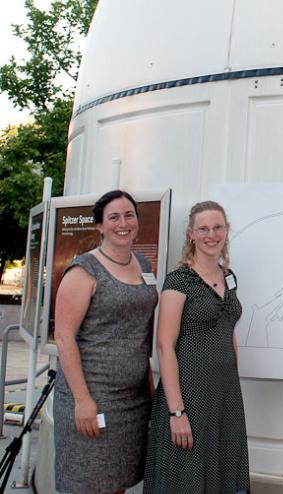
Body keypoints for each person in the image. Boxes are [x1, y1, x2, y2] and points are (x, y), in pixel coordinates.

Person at [53, 189, 159, 494]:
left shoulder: (143, 265)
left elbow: (142, 330)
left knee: (118, 484)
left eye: (129, 215)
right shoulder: (84, 270)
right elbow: (64, 337)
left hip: (133, 400)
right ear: (99, 225)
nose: (123, 223)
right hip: (93, 396)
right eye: (113, 217)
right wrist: (82, 400)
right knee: (89, 483)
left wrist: (148, 384)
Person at [143, 201, 250, 493]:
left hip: (225, 393)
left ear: (227, 231)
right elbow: (165, 346)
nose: (211, 234)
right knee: (187, 474)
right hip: (188, 394)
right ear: (191, 234)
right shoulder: (179, 281)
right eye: (203, 228)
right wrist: (177, 413)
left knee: (223, 470)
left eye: (217, 227)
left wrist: (231, 383)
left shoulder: (230, 277)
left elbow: (229, 332)